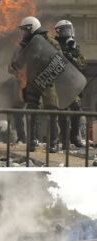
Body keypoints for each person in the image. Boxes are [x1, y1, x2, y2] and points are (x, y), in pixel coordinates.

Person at [10, 16, 61, 153]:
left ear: (31, 28)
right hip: (32, 83)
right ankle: (31, 141)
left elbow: (59, 62)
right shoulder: (24, 46)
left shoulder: (51, 43)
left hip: (47, 81)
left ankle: (53, 142)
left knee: (52, 112)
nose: (23, 33)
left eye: (25, 30)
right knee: (32, 112)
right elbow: (16, 65)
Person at [55, 20, 86, 149]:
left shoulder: (74, 47)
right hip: (60, 84)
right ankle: (65, 138)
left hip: (72, 84)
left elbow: (82, 65)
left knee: (76, 108)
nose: (67, 33)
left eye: (69, 29)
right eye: (64, 30)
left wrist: (71, 56)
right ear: (58, 32)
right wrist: (62, 56)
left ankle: (75, 136)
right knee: (62, 111)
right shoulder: (54, 45)